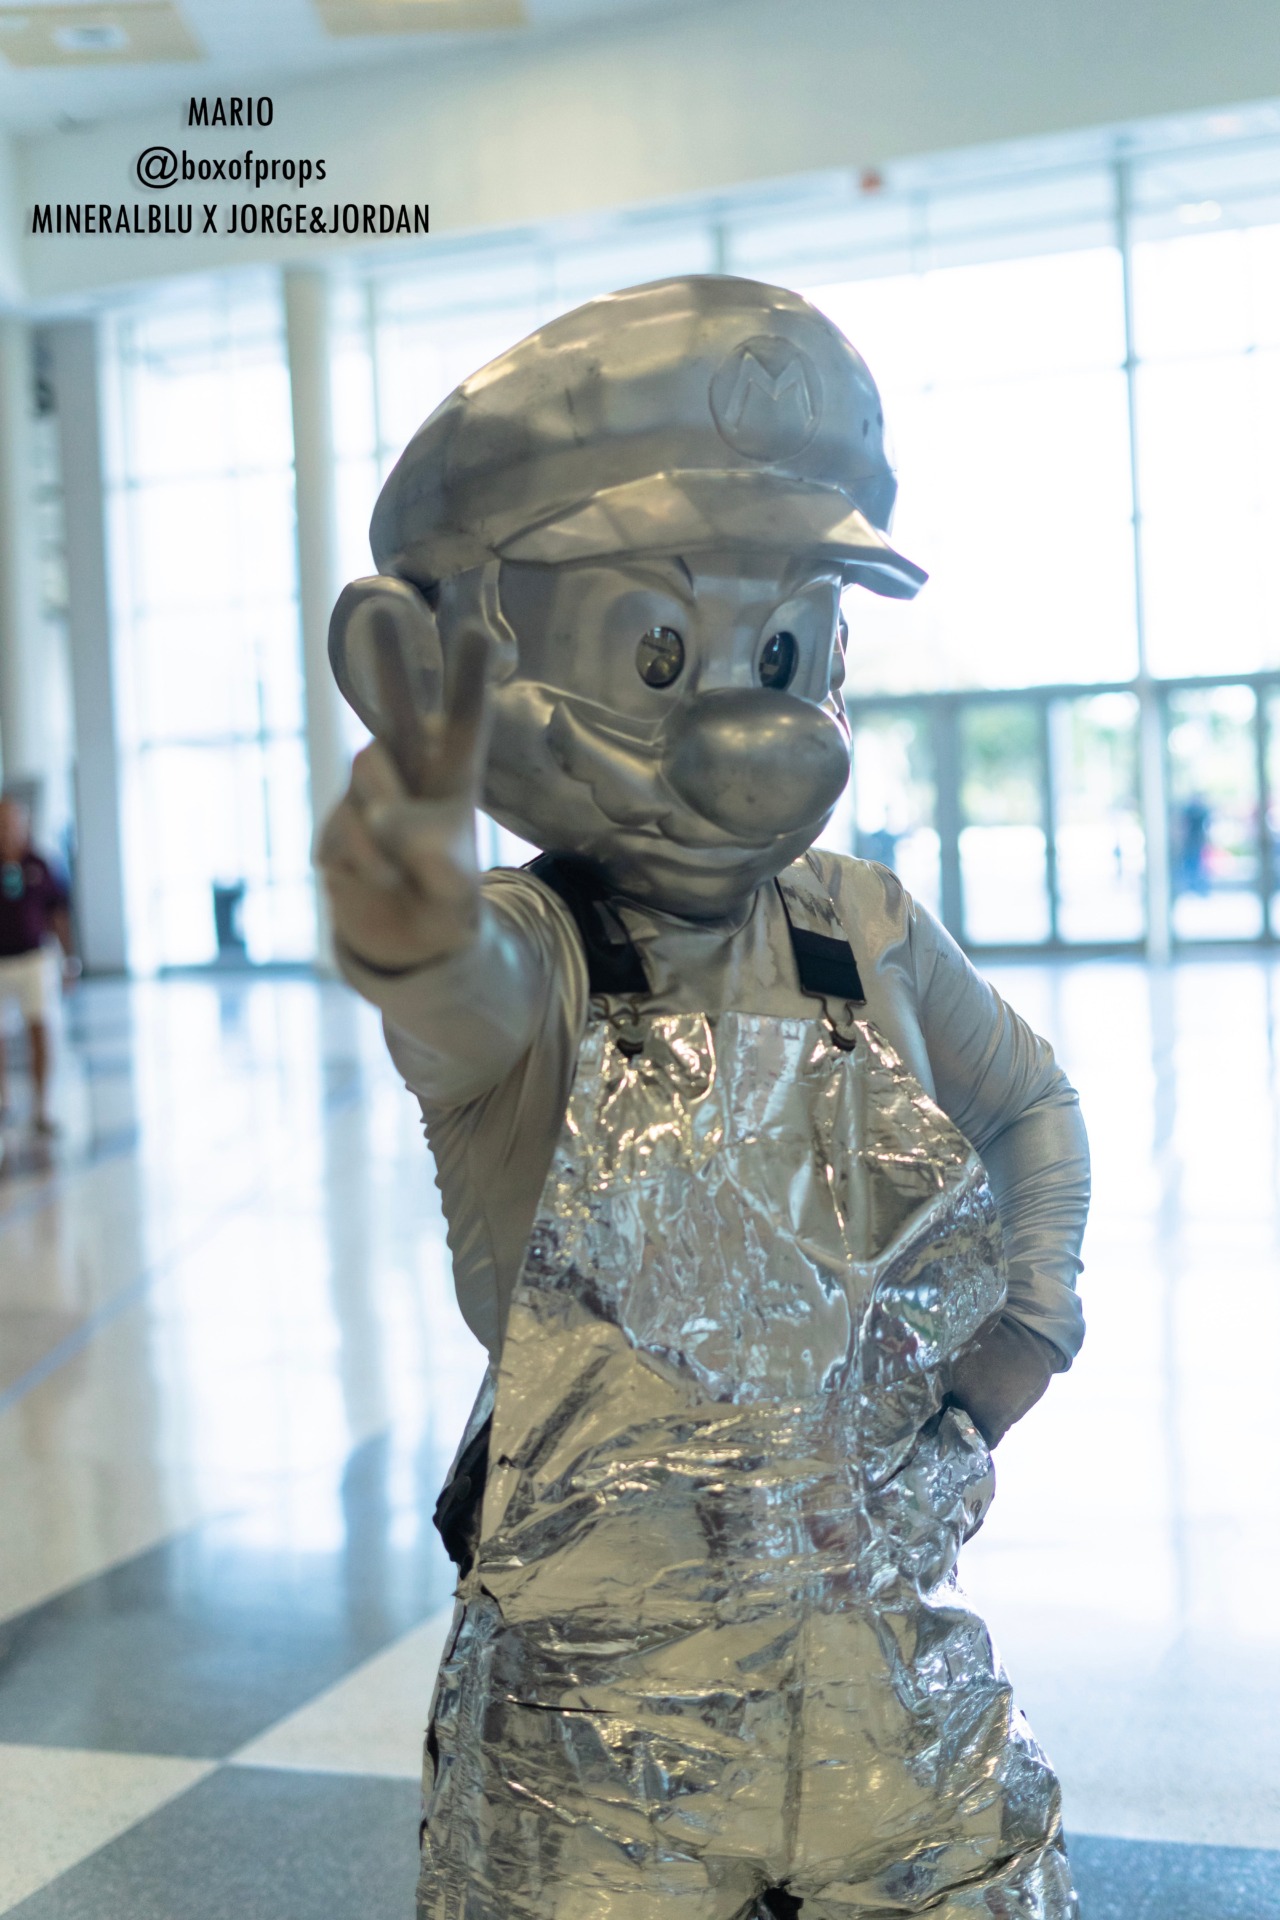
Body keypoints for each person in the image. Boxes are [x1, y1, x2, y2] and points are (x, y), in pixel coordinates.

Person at [318, 278, 1090, 1919]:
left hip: (882, 1668)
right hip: (607, 1746)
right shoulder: (540, 958)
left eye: (784, 645)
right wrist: (405, 884)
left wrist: (1027, 1326)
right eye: (659, 651)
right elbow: (447, 979)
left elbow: (1030, 1104)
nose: (753, 721)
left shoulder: (861, 926)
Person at [0, 796, 75, 1136]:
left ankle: (42, 1106)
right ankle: (4, 1101)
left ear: (25, 824)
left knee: (40, 1027)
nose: (7, 830)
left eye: (12, 822)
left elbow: (58, 914)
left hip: (34, 958)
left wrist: (69, 959)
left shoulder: (41, 865)